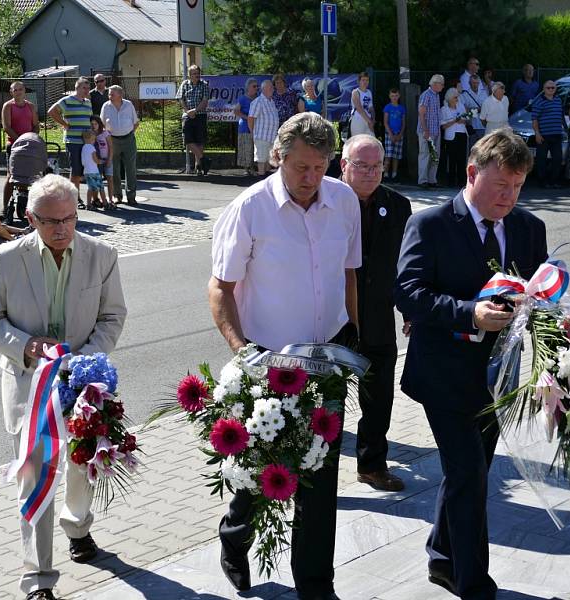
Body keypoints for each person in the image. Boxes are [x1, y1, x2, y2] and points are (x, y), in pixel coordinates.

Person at [210, 112, 360, 600]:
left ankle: (316, 586)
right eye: (300, 167)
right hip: (269, 366)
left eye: (320, 167)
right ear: (278, 156)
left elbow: (350, 273)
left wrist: (354, 331)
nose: (310, 178)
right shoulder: (250, 209)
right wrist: (242, 351)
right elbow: (220, 288)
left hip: (329, 362)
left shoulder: (342, 201)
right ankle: (235, 538)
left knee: (320, 477)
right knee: (264, 472)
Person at [396, 128, 548, 600]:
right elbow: (408, 293)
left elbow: (539, 298)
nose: (510, 196)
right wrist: (469, 313)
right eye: (501, 185)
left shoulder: (528, 228)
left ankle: (442, 557)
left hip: (497, 378)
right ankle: (473, 583)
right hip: (443, 375)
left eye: (518, 186)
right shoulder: (431, 225)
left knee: (472, 468)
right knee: (469, 475)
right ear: (471, 173)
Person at [0, 174, 127, 600]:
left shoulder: (102, 254)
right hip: (30, 387)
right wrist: (27, 346)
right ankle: (38, 577)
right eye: (50, 221)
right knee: (35, 477)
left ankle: (78, 527)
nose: (61, 229)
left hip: (84, 385)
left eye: (69, 219)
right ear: (29, 217)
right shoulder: (7, 258)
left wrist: (83, 362)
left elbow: (112, 317)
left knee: (82, 465)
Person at [340, 134, 411, 493]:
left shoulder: (398, 206)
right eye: (362, 166)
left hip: (379, 316)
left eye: (376, 166)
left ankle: (372, 464)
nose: (370, 173)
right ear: (344, 166)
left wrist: (410, 309)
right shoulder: (326, 202)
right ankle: (315, 471)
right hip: (333, 318)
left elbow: (407, 265)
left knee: (379, 396)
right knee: (327, 400)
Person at [48, 77, 93, 206]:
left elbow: (89, 120)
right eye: (84, 87)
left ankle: (80, 197)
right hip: (73, 141)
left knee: (84, 171)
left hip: (86, 141)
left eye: (88, 88)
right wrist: (64, 123)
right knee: (76, 170)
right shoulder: (67, 101)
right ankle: (75, 198)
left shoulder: (88, 102)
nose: (86, 90)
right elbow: (51, 111)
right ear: (77, 88)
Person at [2, 81, 39, 216]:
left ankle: (22, 208)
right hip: (13, 145)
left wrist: (31, 138)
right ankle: (5, 208)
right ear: (11, 92)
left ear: (24, 91)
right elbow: (6, 126)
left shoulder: (30, 106)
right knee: (11, 176)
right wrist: (19, 141)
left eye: (20, 89)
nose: (18, 92)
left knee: (24, 177)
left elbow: (36, 125)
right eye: (15, 90)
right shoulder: (8, 106)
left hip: (28, 146)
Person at [100, 85, 139, 205]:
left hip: (128, 139)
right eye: (109, 94)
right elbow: (101, 123)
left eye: (112, 94)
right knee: (114, 168)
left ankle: (131, 196)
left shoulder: (128, 105)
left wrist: (129, 132)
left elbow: (136, 122)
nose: (109, 96)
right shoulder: (106, 106)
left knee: (130, 168)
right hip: (112, 141)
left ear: (120, 95)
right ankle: (117, 195)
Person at [177, 64, 211, 175]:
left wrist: (195, 111)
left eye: (198, 73)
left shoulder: (204, 85)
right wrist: (187, 111)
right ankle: (203, 159)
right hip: (187, 116)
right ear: (190, 75)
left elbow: (205, 101)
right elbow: (181, 99)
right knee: (188, 140)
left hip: (200, 115)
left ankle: (199, 167)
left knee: (199, 141)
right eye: (194, 74)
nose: (197, 76)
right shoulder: (184, 84)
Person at [531, 80, 565, 188]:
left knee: (558, 158)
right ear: (544, 89)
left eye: (553, 88)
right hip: (543, 135)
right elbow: (534, 119)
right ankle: (542, 181)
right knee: (541, 159)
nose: (551, 89)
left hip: (557, 134)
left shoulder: (558, 100)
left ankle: (554, 181)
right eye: (548, 88)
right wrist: (537, 133)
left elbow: (561, 116)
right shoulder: (539, 101)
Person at [247, 79, 280, 176]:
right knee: (261, 160)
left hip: (271, 137)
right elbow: (251, 118)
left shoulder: (271, 102)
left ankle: (266, 182)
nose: (273, 89)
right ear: (264, 89)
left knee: (269, 161)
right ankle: (261, 179)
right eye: (270, 87)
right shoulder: (258, 101)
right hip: (261, 137)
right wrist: (252, 133)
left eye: (272, 87)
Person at [418, 74, 445, 188]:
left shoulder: (436, 95)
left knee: (435, 155)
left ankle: (432, 179)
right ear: (435, 84)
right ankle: (422, 180)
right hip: (427, 131)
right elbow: (421, 113)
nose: (443, 86)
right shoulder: (426, 95)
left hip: (436, 130)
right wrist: (425, 130)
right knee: (425, 154)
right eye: (441, 84)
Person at [441, 88, 469, 188]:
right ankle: (451, 181)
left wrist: (462, 120)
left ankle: (462, 180)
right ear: (450, 98)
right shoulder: (444, 109)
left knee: (462, 159)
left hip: (462, 134)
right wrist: (454, 121)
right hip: (450, 136)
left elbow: (466, 119)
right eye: (455, 97)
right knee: (452, 159)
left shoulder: (461, 106)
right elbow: (443, 126)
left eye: (457, 97)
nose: (457, 99)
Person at [233, 78, 259, 175]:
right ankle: (247, 169)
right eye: (254, 86)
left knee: (253, 148)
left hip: (256, 127)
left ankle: (253, 168)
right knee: (246, 147)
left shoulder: (258, 98)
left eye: (257, 86)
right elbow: (236, 111)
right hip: (245, 127)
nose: (256, 88)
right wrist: (247, 117)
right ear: (248, 88)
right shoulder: (243, 99)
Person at [81, 130, 110, 210]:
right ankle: (105, 203)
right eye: (93, 139)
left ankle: (89, 204)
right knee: (101, 187)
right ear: (89, 139)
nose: (94, 141)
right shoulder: (92, 147)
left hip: (87, 171)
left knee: (90, 188)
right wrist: (100, 161)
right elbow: (95, 159)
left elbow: (83, 161)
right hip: (94, 171)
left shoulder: (83, 148)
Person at [383, 88, 406, 180]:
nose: (394, 98)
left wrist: (400, 134)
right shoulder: (387, 107)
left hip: (399, 134)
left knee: (396, 155)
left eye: (396, 96)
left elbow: (403, 123)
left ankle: (394, 174)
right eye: (392, 96)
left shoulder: (401, 108)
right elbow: (385, 122)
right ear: (389, 96)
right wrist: (391, 134)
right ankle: (385, 174)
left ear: (399, 96)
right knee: (388, 155)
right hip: (389, 134)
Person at [90, 115, 114, 201]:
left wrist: (109, 159)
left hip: (107, 158)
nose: (94, 126)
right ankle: (97, 199)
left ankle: (111, 199)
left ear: (99, 124)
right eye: (92, 124)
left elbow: (111, 146)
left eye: (95, 124)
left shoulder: (105, 133)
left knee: (109, 178)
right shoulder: (90, 134)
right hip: (96, 160)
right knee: (97, 180)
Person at [461, 74, 487, 152]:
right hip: (471, 127)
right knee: (472, 150)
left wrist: (472, 110)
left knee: (483, 150)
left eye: (477, 83)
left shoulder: (484, 93)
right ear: (469, 83)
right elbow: (465, 112)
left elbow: (486, 108)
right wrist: (478, 110)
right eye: (473, 83)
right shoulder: (465, 94)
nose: (475, 85)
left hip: (483, 126)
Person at [350, 72, 375, 136]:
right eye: (363, 80)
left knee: (371, 141)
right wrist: (369, 121)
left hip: (369, 121)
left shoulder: (369, 92)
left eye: (367, 80)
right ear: (359, 81)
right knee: (358, 142)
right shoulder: (355, 92)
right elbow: (359, 108)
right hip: (358, 120)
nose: (365, 82)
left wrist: (373, 120)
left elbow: (371, 108)